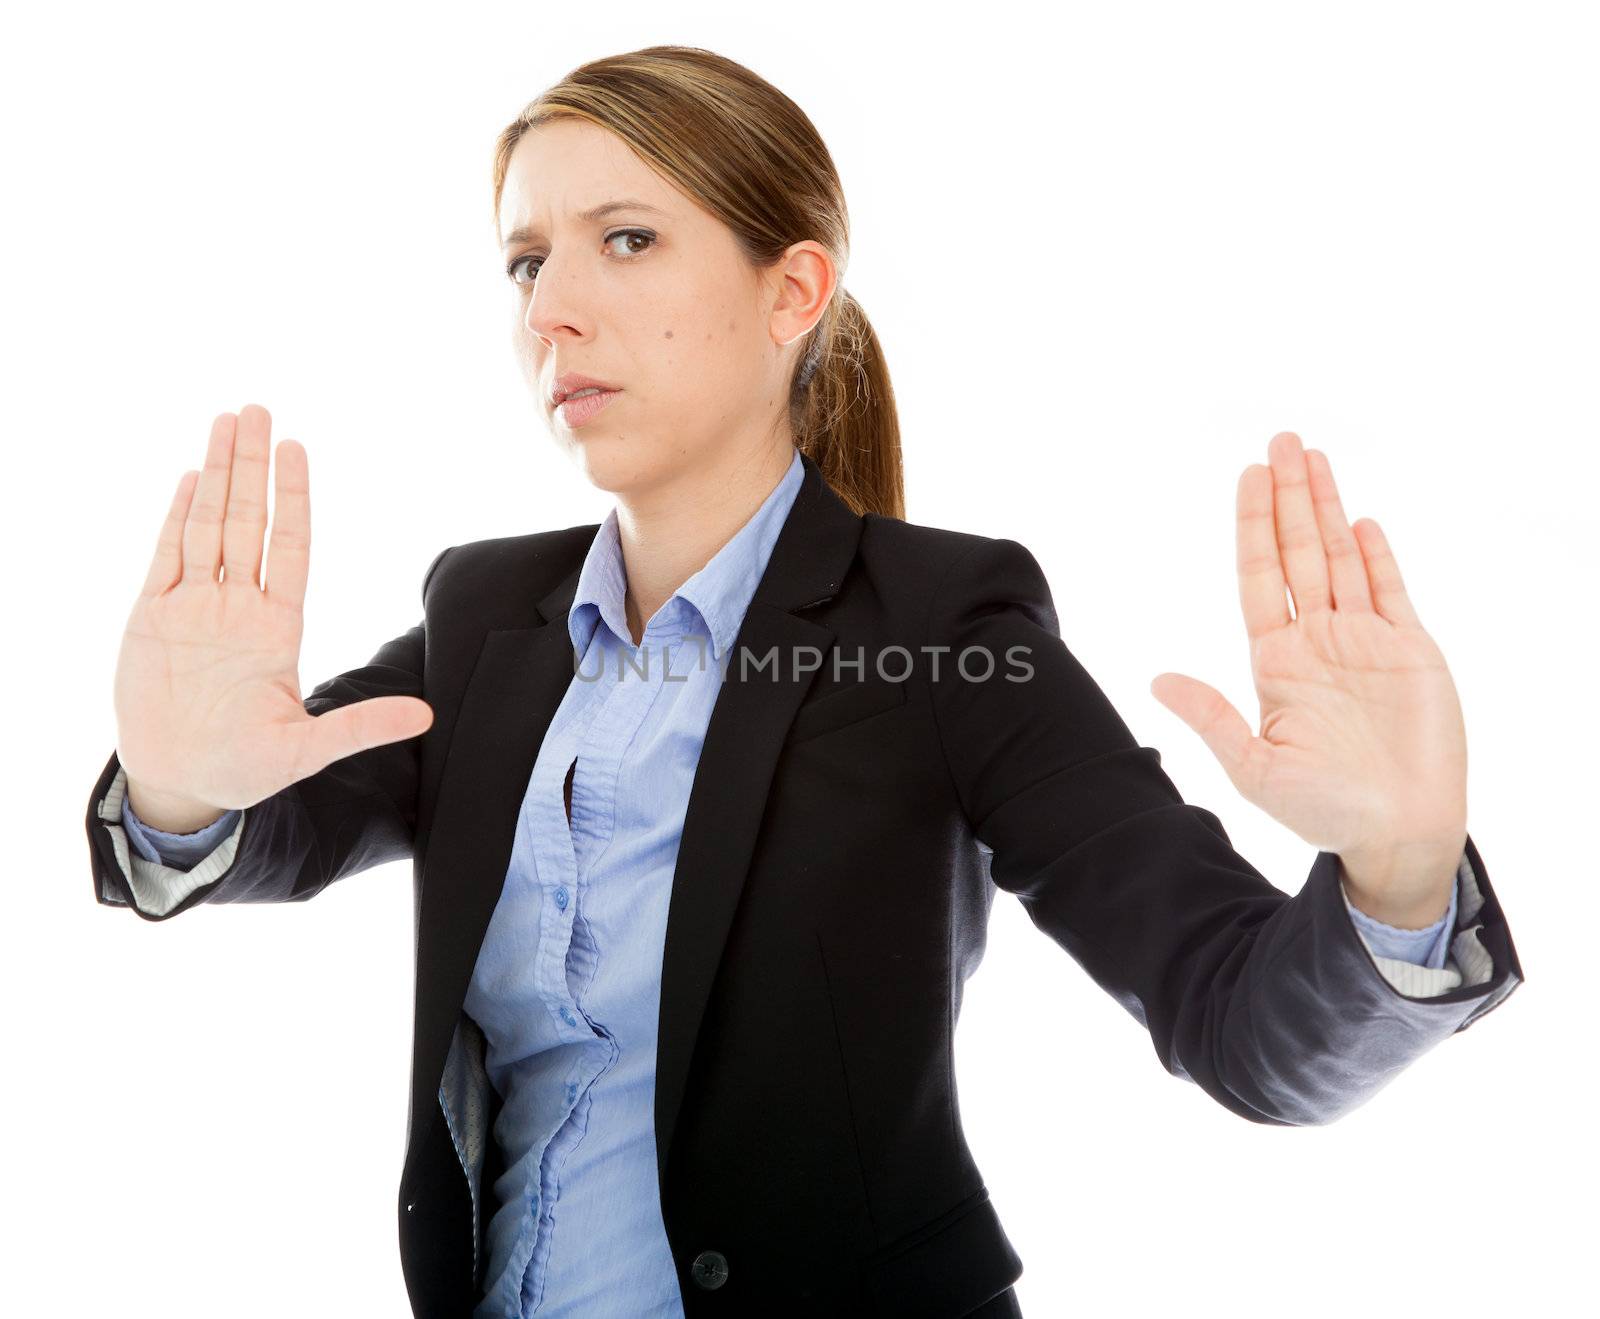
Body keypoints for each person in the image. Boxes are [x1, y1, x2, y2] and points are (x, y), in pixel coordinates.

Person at [84, 45, 1524, 1319]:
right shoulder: (484, 617)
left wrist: (1398, 874)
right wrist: (177, 790)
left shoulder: (946, 623)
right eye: (527, 263)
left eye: (627, 239)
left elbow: (1239, 1024)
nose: (554, 310)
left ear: (796, 291)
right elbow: (275, 808)